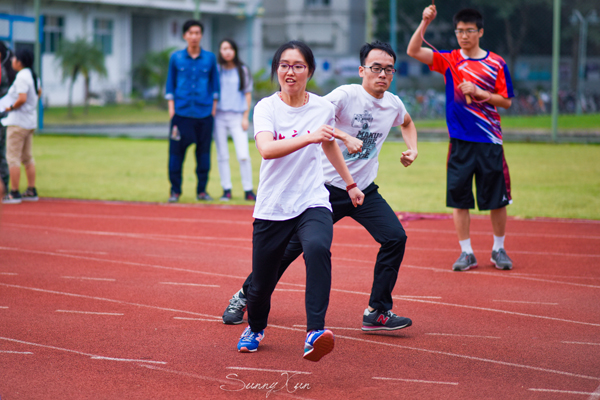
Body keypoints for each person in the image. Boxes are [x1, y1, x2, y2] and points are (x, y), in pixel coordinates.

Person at [224, 40, 418, 333]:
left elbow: (407, 122)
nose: (382, 74)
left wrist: (412, 149)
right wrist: (345, 136)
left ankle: (377, 310)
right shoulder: (345, 95)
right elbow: (314, 120)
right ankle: (245, 295)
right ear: (362, 70)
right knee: (286, 252)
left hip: (361, 189)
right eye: (376, 67)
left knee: (395, 237)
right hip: (325, 187)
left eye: (389, 69)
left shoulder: (393, 103)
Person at [236, 40, 364, 362]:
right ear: (276, 70)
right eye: (284, 65)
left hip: (312, 199)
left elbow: (328, 144)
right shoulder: (266, 108)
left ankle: (314, 332)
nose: (290, 72)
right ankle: (255, 327)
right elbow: (266, 149)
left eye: (298, 66)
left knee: (318, 248)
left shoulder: (322, 108)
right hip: (273, 205)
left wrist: (350, 184)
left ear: (310, 71)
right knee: (261, 284)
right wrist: (309, 136)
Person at [407, 7, 514, 271]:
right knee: (459, 198)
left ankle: (499, 249)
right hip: (459, 141)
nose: (464, 36)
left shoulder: (496, 63)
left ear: (480, 32)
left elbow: (506, 101)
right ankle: (466, 252)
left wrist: (481, 92)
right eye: (459, 31)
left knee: (497, 199)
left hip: (489, 140)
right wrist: (425, 21)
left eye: (469, 30)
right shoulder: (450, 59)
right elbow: (413, 50)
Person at [165, 20, 220, 203]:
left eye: (197, 33)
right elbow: (170, 85)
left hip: (204, 115)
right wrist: (172, 111)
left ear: (201, 35)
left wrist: (212, 111)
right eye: (190, 33)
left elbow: (215, 87)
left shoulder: (210, 58)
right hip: (181, 114)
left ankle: (202, 191)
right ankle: (175, 191)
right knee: (175, 156)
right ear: (184, 35)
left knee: (203, 155)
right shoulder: (176, 58)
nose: (194, 36)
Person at [214, 38, 256, 202]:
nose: (227, 52)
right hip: (219, 116)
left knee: (243, 154)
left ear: (235, 51)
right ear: (220, 51)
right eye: (224, 48)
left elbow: (247, 94)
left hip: (237, 116)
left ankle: (248, 190)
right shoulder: (217, 70)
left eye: (230, 48)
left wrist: (246, 117)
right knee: (222, 155)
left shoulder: (242, 70)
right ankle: (226, 189)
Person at [2, 49, 41, 204]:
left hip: (18, 122)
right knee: (27, 157)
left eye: (14, 58)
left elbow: (22, 98)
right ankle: (31, 190)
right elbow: (39, 93)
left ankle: (14, 192)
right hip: (29, 121)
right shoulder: (33, 75)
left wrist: (10, 107)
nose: (12, 61)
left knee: (13, 158)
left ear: (20, 61)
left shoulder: (22, 76)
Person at [0, 42, 16, 202]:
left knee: (2, 153)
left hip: (2, 115)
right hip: (4, 115)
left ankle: (3, 187)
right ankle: (3, 187)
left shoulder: (2, 69)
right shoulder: (6, 68)